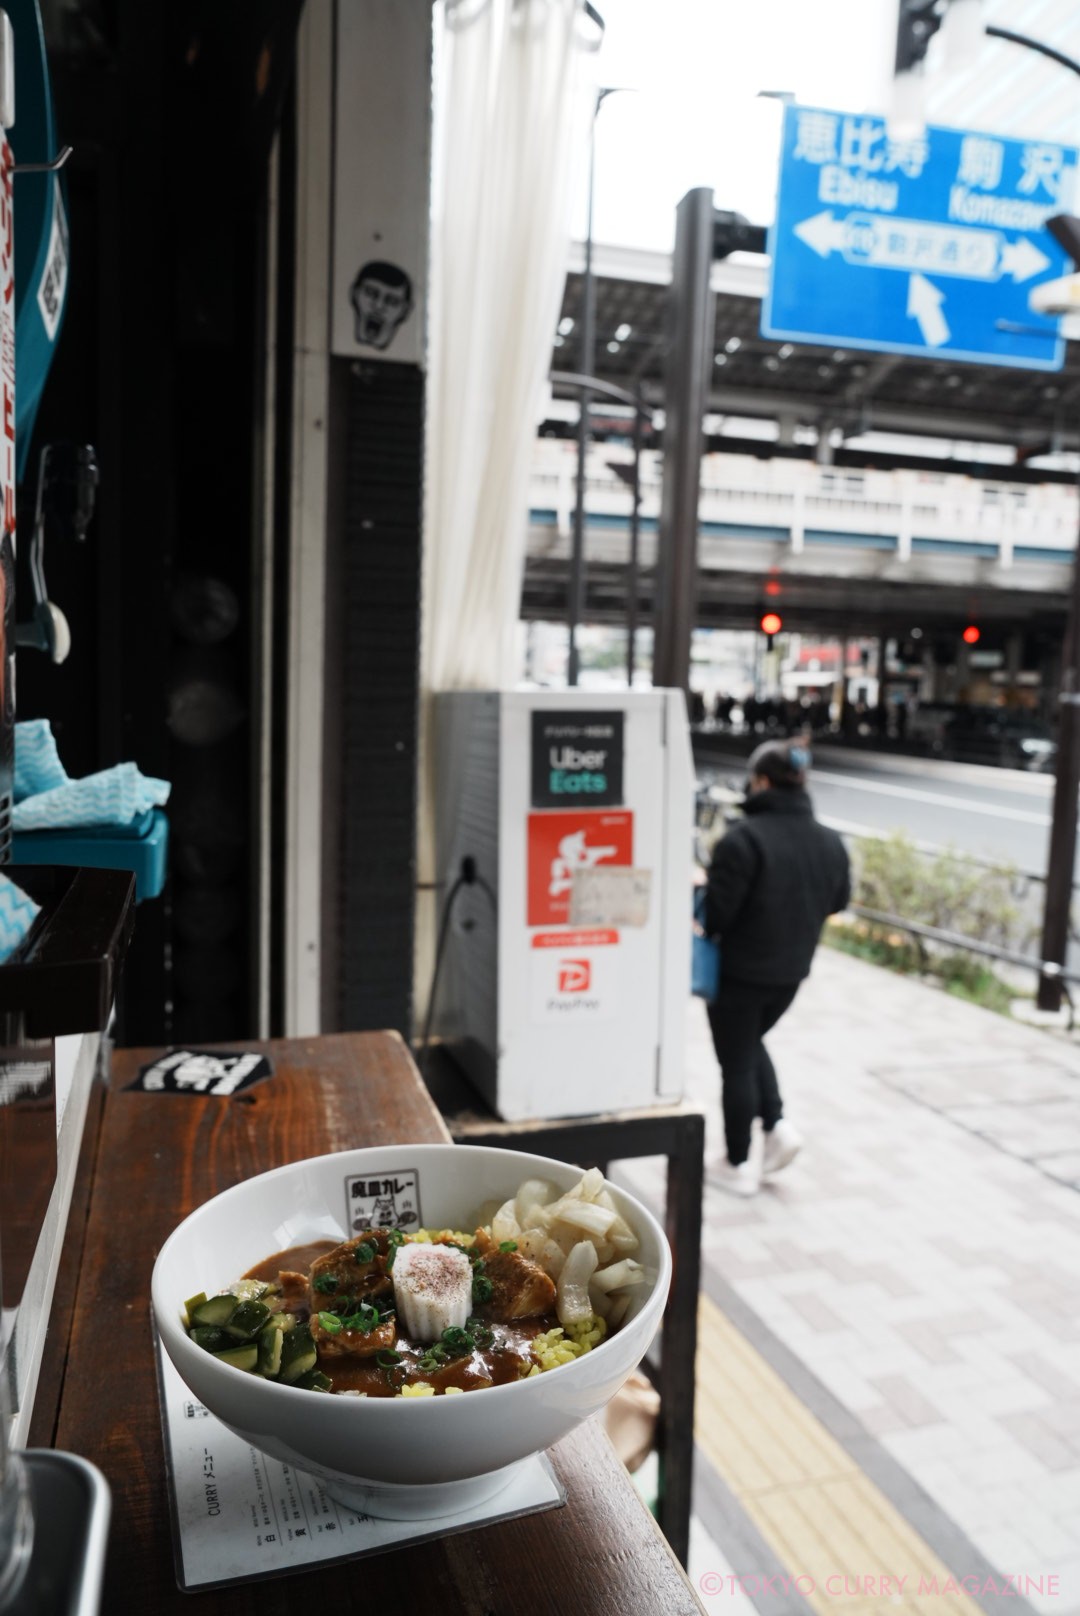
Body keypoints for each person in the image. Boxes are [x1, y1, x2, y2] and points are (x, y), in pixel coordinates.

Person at [702, 739, 850, 1196]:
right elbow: (839, 900)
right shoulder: (830, 841)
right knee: (749, 1045)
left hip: (740, 973)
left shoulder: (744, 839)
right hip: (791, 974)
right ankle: (778, 1127)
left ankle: (737, 1162)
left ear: (762, 781)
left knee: (736, 1063)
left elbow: (718, 916)